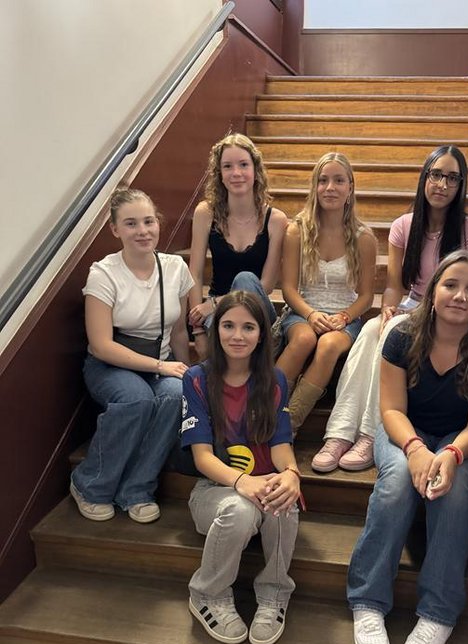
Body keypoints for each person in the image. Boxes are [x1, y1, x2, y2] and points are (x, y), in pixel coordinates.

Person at [347, 251, 468, 644]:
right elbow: (391, 410)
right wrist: (416, 450)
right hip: (408, 431)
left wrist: (451, 454)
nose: (460, 296)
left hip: (467, 441)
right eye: (451, 285)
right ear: (433, 290)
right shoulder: (402, 336)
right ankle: (368, 601)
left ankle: (438, 613)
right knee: (396, 483)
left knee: (453, 490)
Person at [312, 145, 468, 473]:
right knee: (370, 329)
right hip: (410, 305)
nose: (442, 184)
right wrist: (389, 308)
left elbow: (466, 289)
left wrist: (402, 317)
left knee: (392, 330)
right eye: (436, 175)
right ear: (424, 178)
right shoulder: (404, 225)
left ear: (461, 185)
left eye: (452, 178)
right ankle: (339, 433)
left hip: (445, 314)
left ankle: (369, 434)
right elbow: (394, 285)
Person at [182, 291, 301, 644]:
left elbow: (280, 444)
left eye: (248, 327)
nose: (237, 335)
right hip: (214, 489)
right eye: (228, 325)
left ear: (262, 334)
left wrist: (291, 473)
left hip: (262, 483)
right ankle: (208, 593)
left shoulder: (275, 379)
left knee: (283, 502)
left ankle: (274, 593)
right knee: (240, 509)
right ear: (215, 329)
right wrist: (242, 482)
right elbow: (202, 457)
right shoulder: (197, 378)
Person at [70, 186, 193, 523]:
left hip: (160, 362)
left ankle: (137, 489)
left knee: (176, 394)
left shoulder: (175, 268)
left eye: (148, 221)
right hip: (110, 366)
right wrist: (160, 366)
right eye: (131, 223)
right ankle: (90, 485)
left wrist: (188, 373)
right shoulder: (103, 273)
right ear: (115, 230)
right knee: (137, 398)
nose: (143, 231)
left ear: (158, 223)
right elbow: (101, 345)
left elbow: (179, 332)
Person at [275, 152, 376, 433]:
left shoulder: (364, 238)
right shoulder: (297, 231)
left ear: (350, 188)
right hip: (303, 311)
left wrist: (343, 317)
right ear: (315, 187)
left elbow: (366, 297)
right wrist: (310, 314)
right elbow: (288, 289)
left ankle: (287, 426)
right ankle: (263, 412)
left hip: (344, 318)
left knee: (329, 345)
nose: (330, 188)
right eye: (323, 181)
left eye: (339, 181)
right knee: (304, 339)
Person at [187, 133, 288, 359]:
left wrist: (214, 304)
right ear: (219, 175)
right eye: (227, 166)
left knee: (246, 278)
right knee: (226, 329)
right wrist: (198, 330)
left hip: (257, 309)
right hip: (218, 314)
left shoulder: (276, 220)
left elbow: (266, 285)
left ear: (256, 170)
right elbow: (194, 273)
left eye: (243, 164)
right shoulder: (206, 213)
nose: (236, 173)